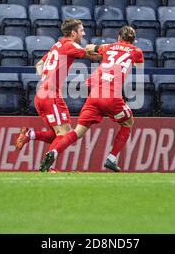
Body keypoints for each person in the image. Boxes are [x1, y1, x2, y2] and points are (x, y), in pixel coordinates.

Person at [39, 26, 144, 172]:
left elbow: (89, 47)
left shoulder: (108, 47)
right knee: (128, 122)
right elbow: (139, 69)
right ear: (133, 40)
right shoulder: (136, 51)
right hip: (111, 96)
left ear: (119, 38)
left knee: (77, 132)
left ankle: (53, 152)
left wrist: (98, 49)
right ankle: (111, 159)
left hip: (94, 94)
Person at [14, 19, 99, 169]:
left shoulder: (56, 45)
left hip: (41, 95)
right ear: (73, 33)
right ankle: (48, 167)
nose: (84, 33)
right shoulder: (70, 45)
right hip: (51, 96)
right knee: (66, 134)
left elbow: (39, 63)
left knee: (56, 135)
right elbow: (92, 56)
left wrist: (44, 78)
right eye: (81, 31)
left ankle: (30, 134)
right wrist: (112, 54)